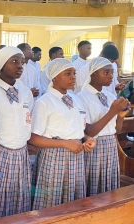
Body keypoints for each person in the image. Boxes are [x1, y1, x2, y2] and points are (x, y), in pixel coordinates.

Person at [28, 58, 96, 210]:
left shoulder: (75, 99)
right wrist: (65, 143)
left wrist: (87, 138)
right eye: (67, 74)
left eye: (74, 73)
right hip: (55, 156)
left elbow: (79, 128)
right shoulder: (45, 102)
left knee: (74, 200)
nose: (73, 77)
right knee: (52, 200)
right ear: (54, 77)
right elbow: (33, 138)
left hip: (76, 154)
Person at [0, 46, 33, 217]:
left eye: (22, 62)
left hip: (21, 153)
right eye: (14, 62)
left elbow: (27, 119)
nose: (20, 66)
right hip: (0, 153)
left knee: (20, 199)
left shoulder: (25, 92)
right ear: (2, 65)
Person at [77, 57, 130, 196]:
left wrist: (120, 115)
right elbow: (88, 131)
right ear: (93, 74)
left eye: (112, 72)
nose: (111, 76)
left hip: (111, 145)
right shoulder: (82, 97)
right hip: (94, 145)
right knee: (94, 187)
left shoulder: (110, 96)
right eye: (106, 72)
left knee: (109, 186)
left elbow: (116, 130)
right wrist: (112, 111)